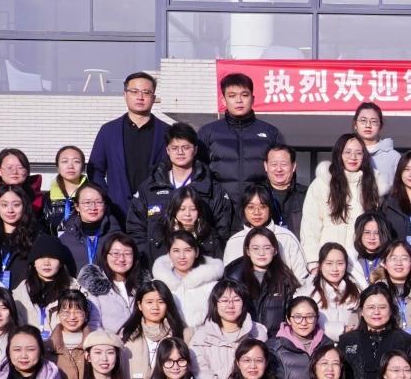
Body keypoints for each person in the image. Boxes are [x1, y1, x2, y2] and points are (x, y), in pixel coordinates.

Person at [128, 122, 230, 248]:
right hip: (157, 258)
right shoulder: (151, 187)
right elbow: (136, 228)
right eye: (175, 148)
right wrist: (148, 254)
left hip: (200, 257)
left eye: (186, 147)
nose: (180, 152)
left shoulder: (212, 188)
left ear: (195, 150)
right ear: (168, 150)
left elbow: (223, 231)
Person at [89, 71, 168, 224]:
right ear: (125, 94)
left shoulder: (166, 133)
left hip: (157, 212)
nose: (140, 97)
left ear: (153, 98)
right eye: (134, 91)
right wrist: (105, 197)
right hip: (117, 212)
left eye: (146, 92)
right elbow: (95, 170)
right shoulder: (109, 131)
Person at [198, 71, 287, 201]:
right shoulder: (208, 132)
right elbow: (198, 173)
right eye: (232, 96)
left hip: (259, 207)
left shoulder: (271, 133)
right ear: (223, 100)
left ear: (253, 99)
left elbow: (285, 172)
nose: (239, 100)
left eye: (244, 95)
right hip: (219, 208)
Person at [257, 142, 309, 235]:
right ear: (266, 166)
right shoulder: (255, 194)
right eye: (274, 164)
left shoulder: (307, 195)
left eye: (284, 164)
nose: (279, 169)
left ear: (293, 166)